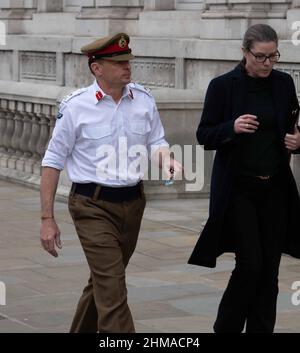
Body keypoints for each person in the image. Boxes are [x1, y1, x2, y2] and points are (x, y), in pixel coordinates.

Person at [40, 32, 182, 333]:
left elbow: (156, 140)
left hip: (133, 204)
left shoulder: (143, 100)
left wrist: (165, 159)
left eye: (128, 61)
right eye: (118, 63)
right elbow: (52, 162)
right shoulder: (76, 106)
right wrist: (47, 219)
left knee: (104, 283)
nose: (127, 67)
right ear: (97, 68)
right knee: (114, 289)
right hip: (91, 205)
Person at [188, 24, 300, 333]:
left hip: (276, 187)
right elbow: (204, 134)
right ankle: (226, 328)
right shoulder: (223, 86)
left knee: (270, 271)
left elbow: (291, 128)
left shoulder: (283, 83)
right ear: (244, 52)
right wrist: (232, 128)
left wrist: (298, 140)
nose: (268, 64)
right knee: (251, 264)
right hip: (238, 188)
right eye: (261, 57)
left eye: (273, 56)